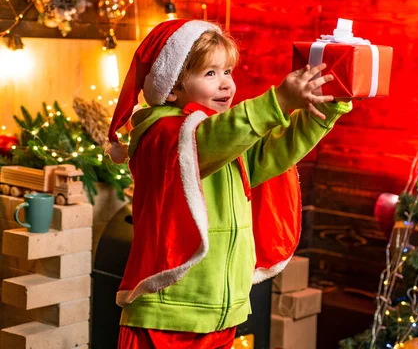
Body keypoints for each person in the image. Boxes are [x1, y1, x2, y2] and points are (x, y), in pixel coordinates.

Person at [105, 19, 352, 348]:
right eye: (210, 74)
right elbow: (201, 141)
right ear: (172, 87)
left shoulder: (222, 134)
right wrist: (277, 101)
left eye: (228, 72)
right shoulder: (161, 134)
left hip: (222, 313)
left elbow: (273, 151)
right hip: (166, 317)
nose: (225, 85)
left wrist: (328, 103)